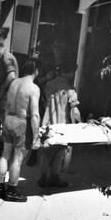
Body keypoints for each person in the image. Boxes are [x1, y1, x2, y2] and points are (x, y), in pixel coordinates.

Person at [0, 58, 41, 202]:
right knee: (18, 159)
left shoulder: (14, 83)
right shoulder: (34, 88)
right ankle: (12, 191)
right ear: (36, 71)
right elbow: (34, 114)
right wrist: (36, 137)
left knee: (5, 155)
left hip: (9, 119)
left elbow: (8, 104)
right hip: (21, 122)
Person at [38, 60, 80, 189]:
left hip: (48, 122)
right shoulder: (70, 89)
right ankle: (54, 177)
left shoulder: (49, 84)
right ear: (71, 73)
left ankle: (43, 178)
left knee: (46, 153)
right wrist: (79, 123)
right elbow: (75, 110)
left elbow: (45, 100)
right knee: (59, 153)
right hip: (62, 125)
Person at [0, 37, 19, 157]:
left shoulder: (5, 57)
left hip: (6, 94)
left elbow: (11, 76)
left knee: (2, 119)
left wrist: (1, 89)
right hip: (5, 93)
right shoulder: (5, 56)